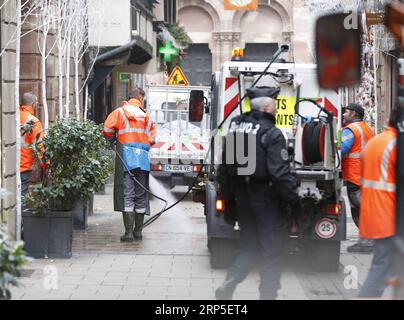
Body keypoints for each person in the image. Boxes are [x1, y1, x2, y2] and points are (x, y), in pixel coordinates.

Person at [215, 86, 301, 300]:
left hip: (242, 199)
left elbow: (224, 169)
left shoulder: (236, 128)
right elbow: (279, 174)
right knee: (271, 252)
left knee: (249, 247)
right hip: (267, 201)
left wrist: (227, 200)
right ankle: (267, 296)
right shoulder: (271, 133)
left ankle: (230, 282)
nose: (276, 109)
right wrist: (294, 201)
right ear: (265, 106)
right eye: (274, 104)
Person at [103, 88, 156, 242]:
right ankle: (138, 232)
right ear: (139, 97)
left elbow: (106, 129)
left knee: (128, 193)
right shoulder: (146, 115)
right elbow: (152, 138)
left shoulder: (120, 112)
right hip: (142, 158)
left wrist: (114, 137)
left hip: (125, 156)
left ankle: (128, 234)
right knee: (140, 193)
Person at [358, 110, 397, 298]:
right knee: (382, 265)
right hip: (389, 215)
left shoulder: (375, 141)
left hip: (374, 212)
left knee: (383, 264)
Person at [341, 103, 375, 253]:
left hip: (354, 175)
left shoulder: (351, 130)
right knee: (362, 209)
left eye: (346, 112)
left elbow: (342, 148)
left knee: (360, 209)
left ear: (353, 114)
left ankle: (371, 240)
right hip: (366, 174)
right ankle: (366, 241)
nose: (343, 114)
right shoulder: (368, 129)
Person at [19, 92, 45, 208]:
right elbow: (39, 146)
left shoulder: (14, 116)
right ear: (34, 104)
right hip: (24, 165)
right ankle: (20, 225)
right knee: (21, 196)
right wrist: (46, 165)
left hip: (7, 166)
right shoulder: (33, 121)